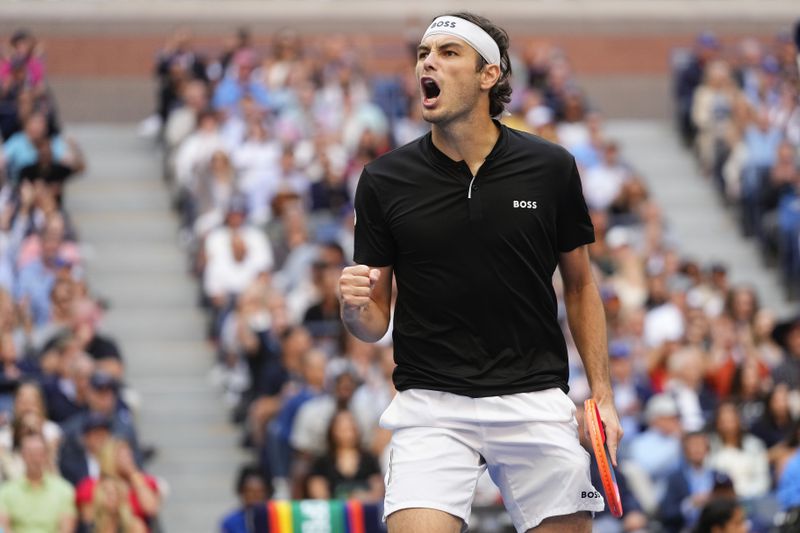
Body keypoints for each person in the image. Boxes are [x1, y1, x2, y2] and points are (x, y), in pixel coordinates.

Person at [338, 12, 622, 533]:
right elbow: (374, 323)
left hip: (534, 398)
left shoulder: (551, 167)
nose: (429, 62)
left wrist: (602, 395)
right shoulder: (383, 180)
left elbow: (580, 286)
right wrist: (353, 307)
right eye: (424, 53)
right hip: (430, 405)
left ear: (489, 75)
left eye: (448, 53)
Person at [0, 432, 76, 533]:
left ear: (46, 456)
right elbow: (3, 528)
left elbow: (66, 529)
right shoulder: (5, 491)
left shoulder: (64, 489)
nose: (35, 459)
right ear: (22, 455)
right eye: (30, 454)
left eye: (39, 454)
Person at [219, 465, 269, 533]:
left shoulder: (275, 519)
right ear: (242, 492)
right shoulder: (231, 521)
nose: (255, 496)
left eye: (259, 491)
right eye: (250, 491)